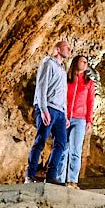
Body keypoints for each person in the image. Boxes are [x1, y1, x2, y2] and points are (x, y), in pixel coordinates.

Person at [26, 38, 71, 182]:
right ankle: (30, 174)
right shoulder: (48, 63)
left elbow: (63, 94)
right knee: (41, 140)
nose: (69, 49)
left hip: (60, 112)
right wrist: (43, 108)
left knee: (61, 144)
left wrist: (65, 114)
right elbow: (41, 86)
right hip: (48, 108)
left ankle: (51, 176)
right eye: (66, 47)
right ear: (57, 49)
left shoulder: (63, 70)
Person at [61, 54, 96, 186]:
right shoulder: (66, 79)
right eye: (83, 61)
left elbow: (90, 102)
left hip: (80, 119)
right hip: (64, 118)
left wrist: (89, 120)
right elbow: (61, 97)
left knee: (75, 150)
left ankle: (72, 180)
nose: (85, 64)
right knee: (63, 149)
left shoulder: (88, 83)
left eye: (86, 62)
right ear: (76, 62)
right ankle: (59, 179)